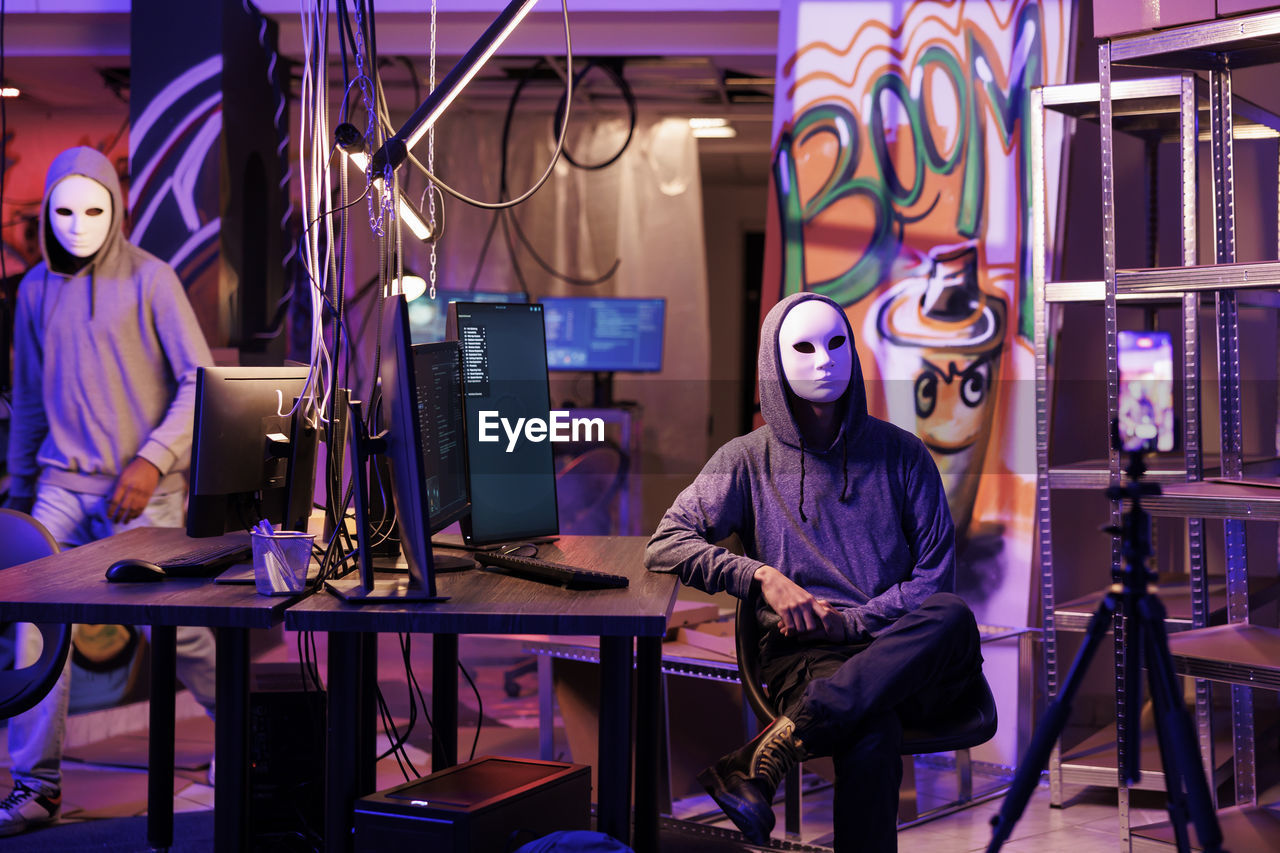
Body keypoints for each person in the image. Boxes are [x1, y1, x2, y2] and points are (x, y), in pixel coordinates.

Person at [645, 292, 985, 852]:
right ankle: (785, 739)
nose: (824, 360)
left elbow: (933, 583)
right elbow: (665, 545)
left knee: (949, 614)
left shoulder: (905, 456)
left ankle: (771, 749)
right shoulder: (746, 460)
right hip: (806, 655)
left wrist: (849, 626)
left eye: (836, 343)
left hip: (903, 652)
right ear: (774, 362)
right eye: (803, 347)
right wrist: (761, 578)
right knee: (871, 735)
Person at [0, 146, 217, 836]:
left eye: (94, 209)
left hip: (143, 497)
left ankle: (253, 743)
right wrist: (19, 492)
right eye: (63, 210)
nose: (78, 224)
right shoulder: (35, 288)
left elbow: (200, 379)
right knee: (36, 634)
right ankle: (36, 786)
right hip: (61, 488)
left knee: (190, 638)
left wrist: (153, 460)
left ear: (116, 209)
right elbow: (30, 400)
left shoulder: (153, 279)